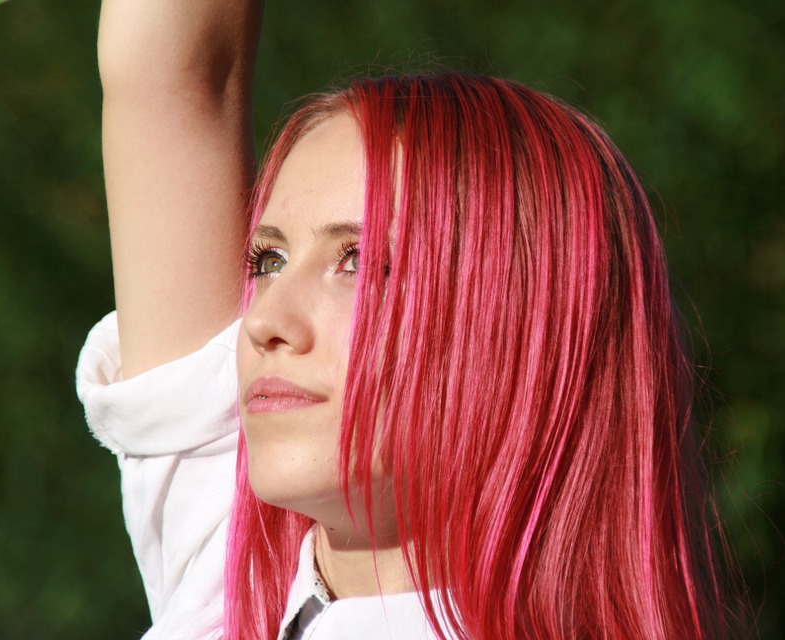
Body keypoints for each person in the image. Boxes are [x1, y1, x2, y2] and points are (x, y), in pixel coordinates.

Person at [77, 1, 740, 638]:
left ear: (525, 327)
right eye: (268, 260)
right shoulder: (236, 579)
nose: (263, 322)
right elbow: (169, 76)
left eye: (360, 262)